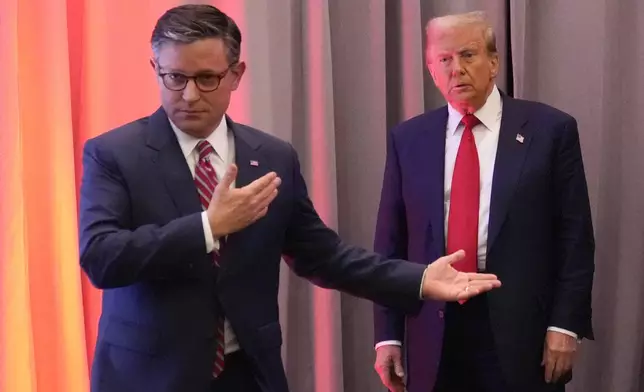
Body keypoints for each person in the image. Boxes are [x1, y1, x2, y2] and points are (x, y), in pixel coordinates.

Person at [78, 5, 502, 392]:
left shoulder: (271, 156)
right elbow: (101, 257)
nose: (189, 94)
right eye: (174, 78)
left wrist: (419, 279)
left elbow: (324, 256)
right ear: (156, 70)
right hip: (149, 377)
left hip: (249, 375)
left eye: (207, 78)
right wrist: (208, 227)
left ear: (236, 74)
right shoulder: (115, 154)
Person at [372, 11, 595, 392]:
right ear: (431, 69)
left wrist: (565, 324)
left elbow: (575, 238)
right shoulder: (408, 139)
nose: (456, 69)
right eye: (444, 60)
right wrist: (388, 336)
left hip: (521, 333)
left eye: (468, 55)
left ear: (494, 62)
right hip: (433, 331)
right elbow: (390, 244)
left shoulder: (550, 131)